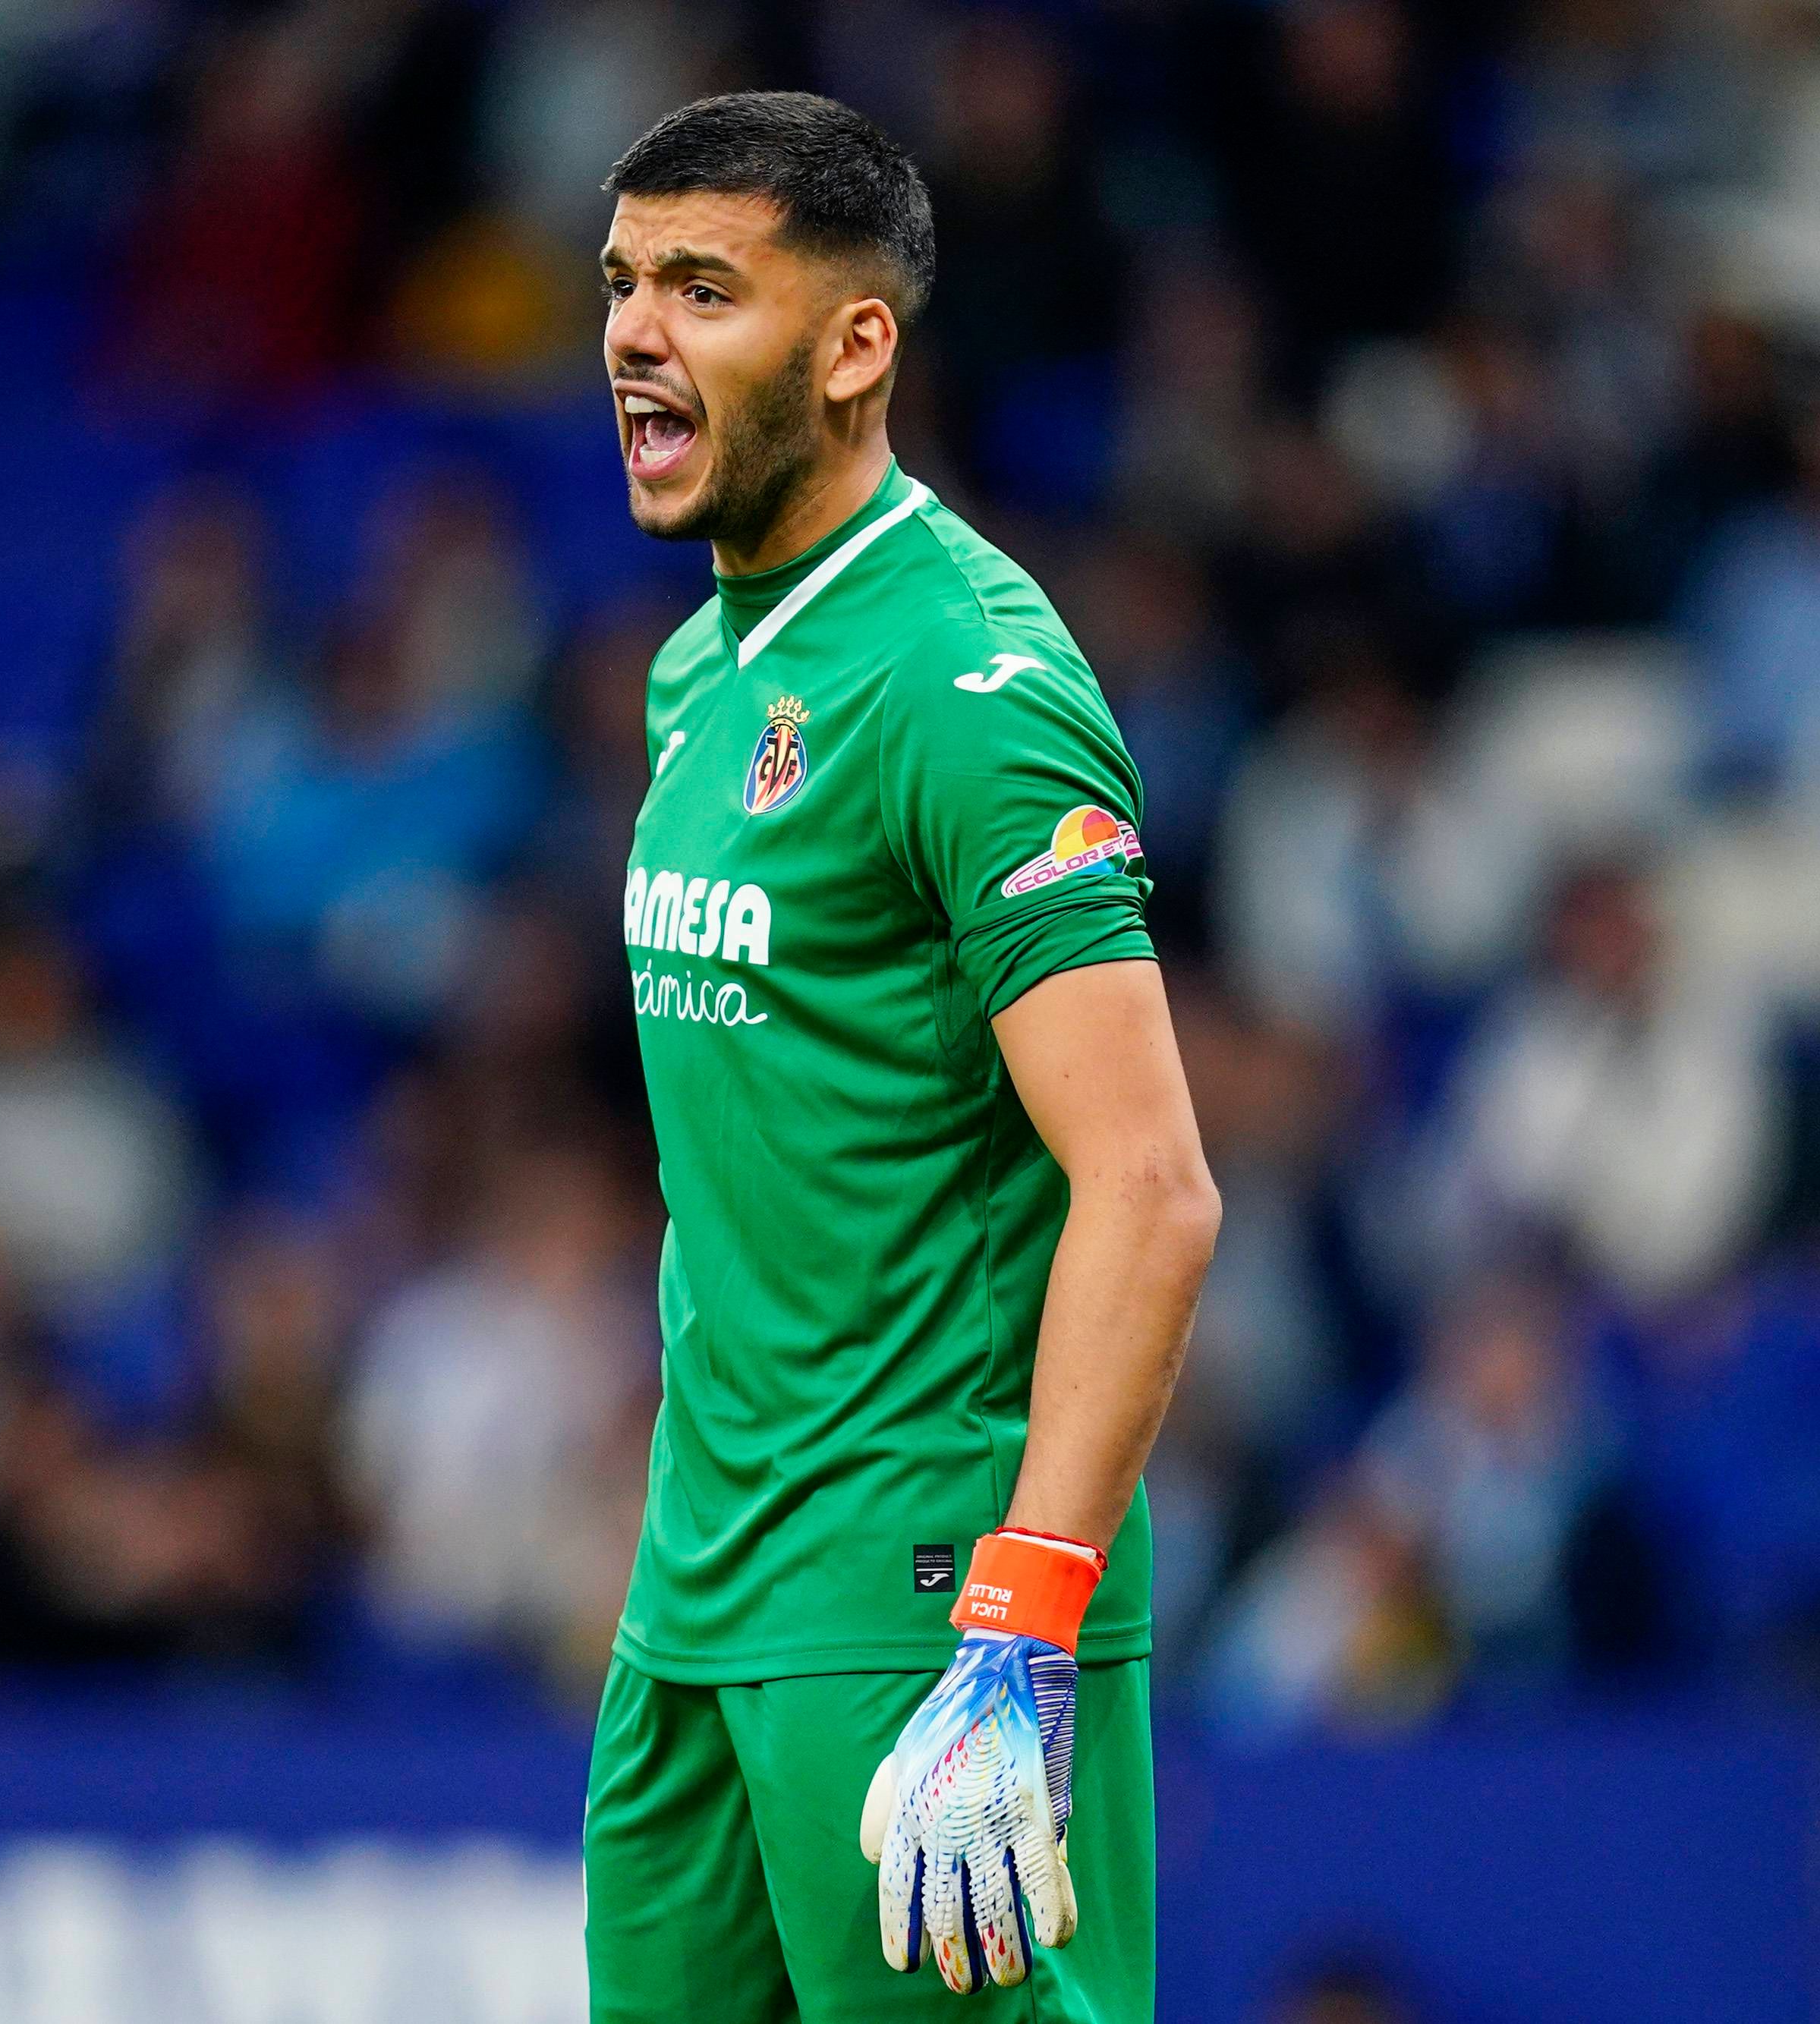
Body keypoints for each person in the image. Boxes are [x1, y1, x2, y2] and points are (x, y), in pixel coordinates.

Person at [581, 96, 1220, 2024]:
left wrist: (1020, 1623)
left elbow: (1151, 1187)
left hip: (921, 1611)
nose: (630, 333)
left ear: (856, 344)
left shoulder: (971, 693)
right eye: (617, 283)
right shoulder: (700, 670)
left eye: (703, 288)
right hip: (700, 1591)